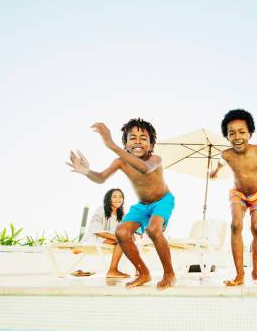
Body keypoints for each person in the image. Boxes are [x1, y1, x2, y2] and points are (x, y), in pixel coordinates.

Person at [67, 118, 176, 289]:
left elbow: (144, 169)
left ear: (151, 144)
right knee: (122, 232)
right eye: (132, 138)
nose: (138, 141)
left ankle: (169, 274)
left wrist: (112, 145)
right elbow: (101, 178)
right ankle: (143, 273)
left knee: (154, 229)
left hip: (162, 200)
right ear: (125, 143)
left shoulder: (155, 159)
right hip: (142, 205)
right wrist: (86, 171)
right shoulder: (120, 162)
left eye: (143, 138)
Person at [210, 109, 257, 286]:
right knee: (236, 225)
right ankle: (239, 275)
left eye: (242, 132)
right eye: (231, 133)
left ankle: (256, 273)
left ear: (250, 133)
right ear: (227, 136)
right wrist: (215, 171)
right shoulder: (226, 154)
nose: (237, 137)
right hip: (238, 194)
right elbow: (221, 163)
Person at [84, 188, 131, 278]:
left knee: (129, 241)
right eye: (114, 197)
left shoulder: (122, 215)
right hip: (96, 236)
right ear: (109, 199)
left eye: (121, 197)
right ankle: (112, 270)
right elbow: (95, 229)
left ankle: (137, 270)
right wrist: (117, 238)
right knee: (123, 241)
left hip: (112, 238)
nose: (118, 199)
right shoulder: (101, 210)